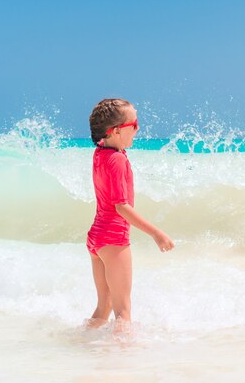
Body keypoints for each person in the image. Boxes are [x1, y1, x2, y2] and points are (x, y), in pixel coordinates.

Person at [86, 98, 175, 330]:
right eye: (133, 124)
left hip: (96, 238)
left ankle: (83, 347)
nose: (138, 128)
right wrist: (156, 233)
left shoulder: (101, 154)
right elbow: (121, 206)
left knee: (103, 307)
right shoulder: (116, 159)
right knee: (123, 312)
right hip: (114, 239)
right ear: (115, 131)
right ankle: (122, 362)